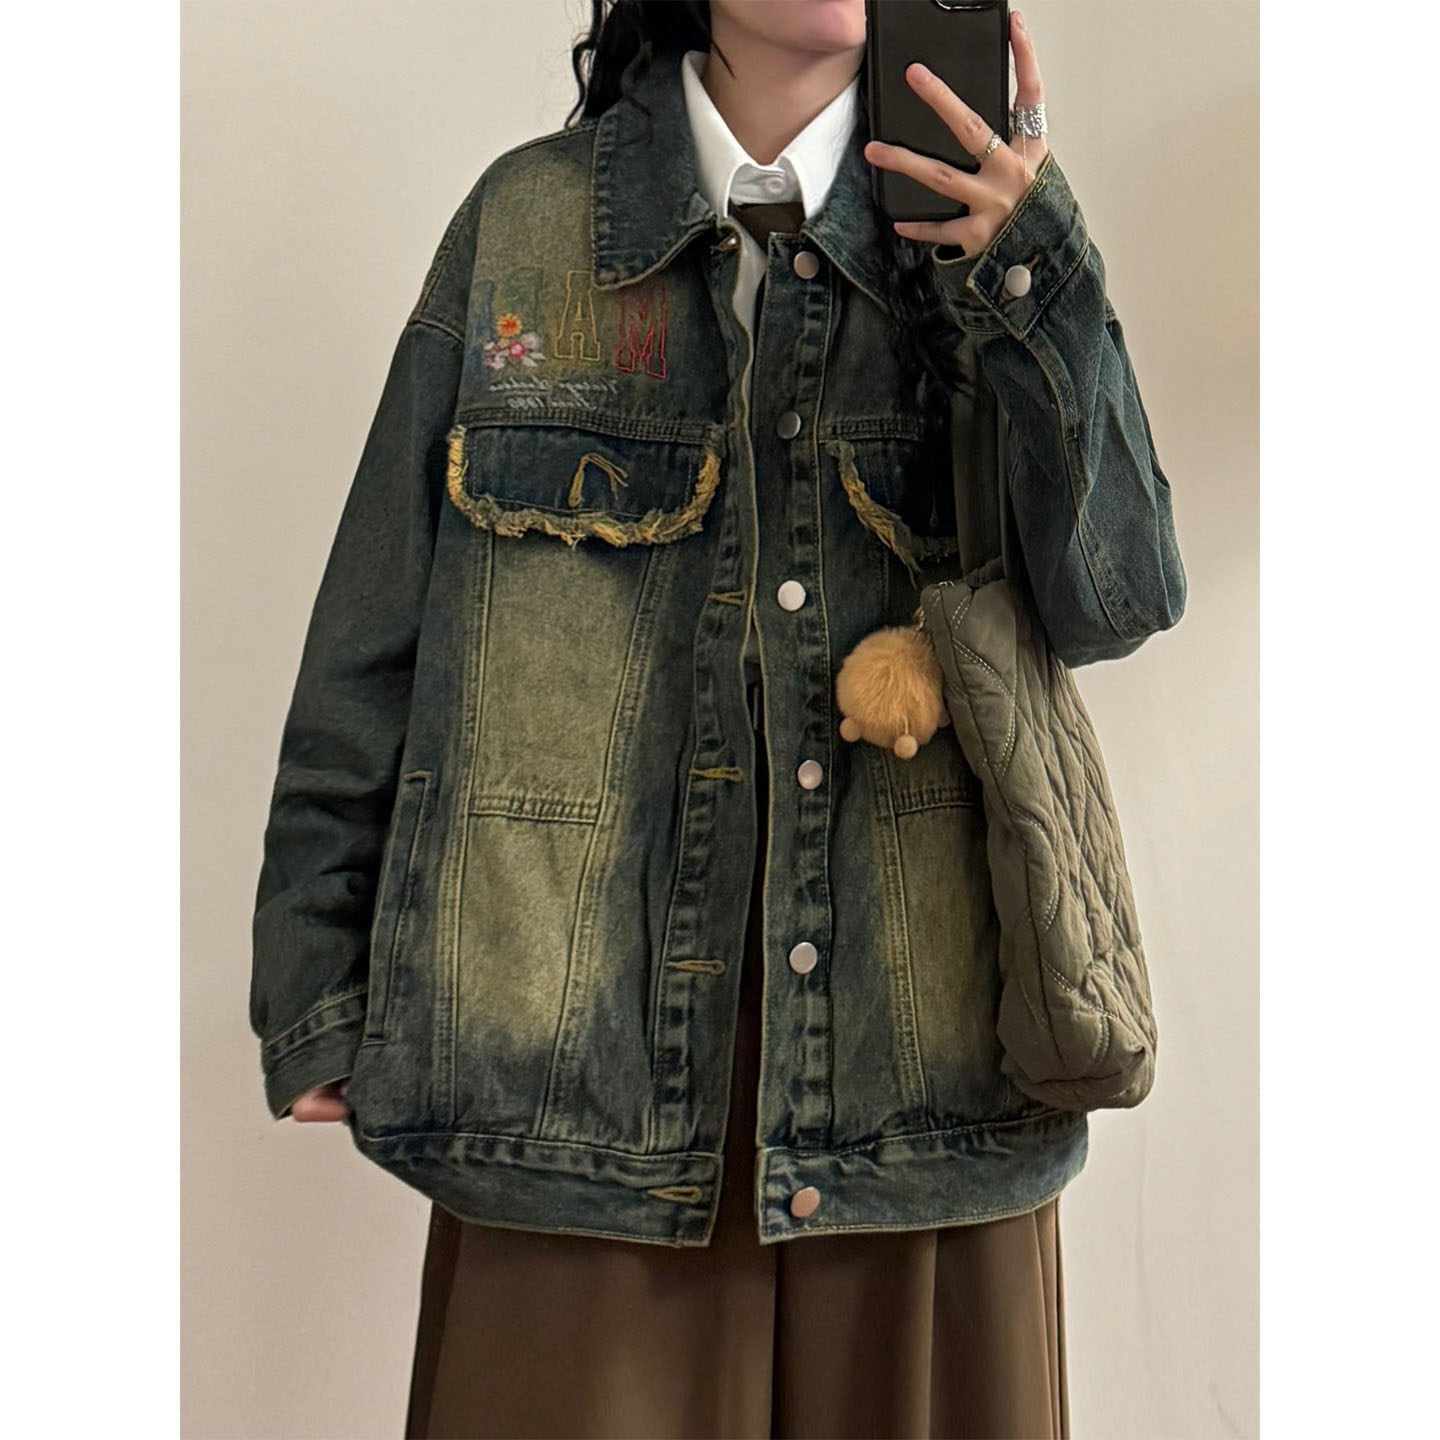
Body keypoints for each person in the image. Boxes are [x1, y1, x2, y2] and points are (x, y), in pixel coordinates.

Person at [250, 2, 1186, 1435]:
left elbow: (1117, 597)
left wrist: (1032, 269)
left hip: (924, 1100)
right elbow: (375, 630)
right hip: (567, 1100)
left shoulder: (991, 246)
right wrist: (317, 972)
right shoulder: (523, 230)